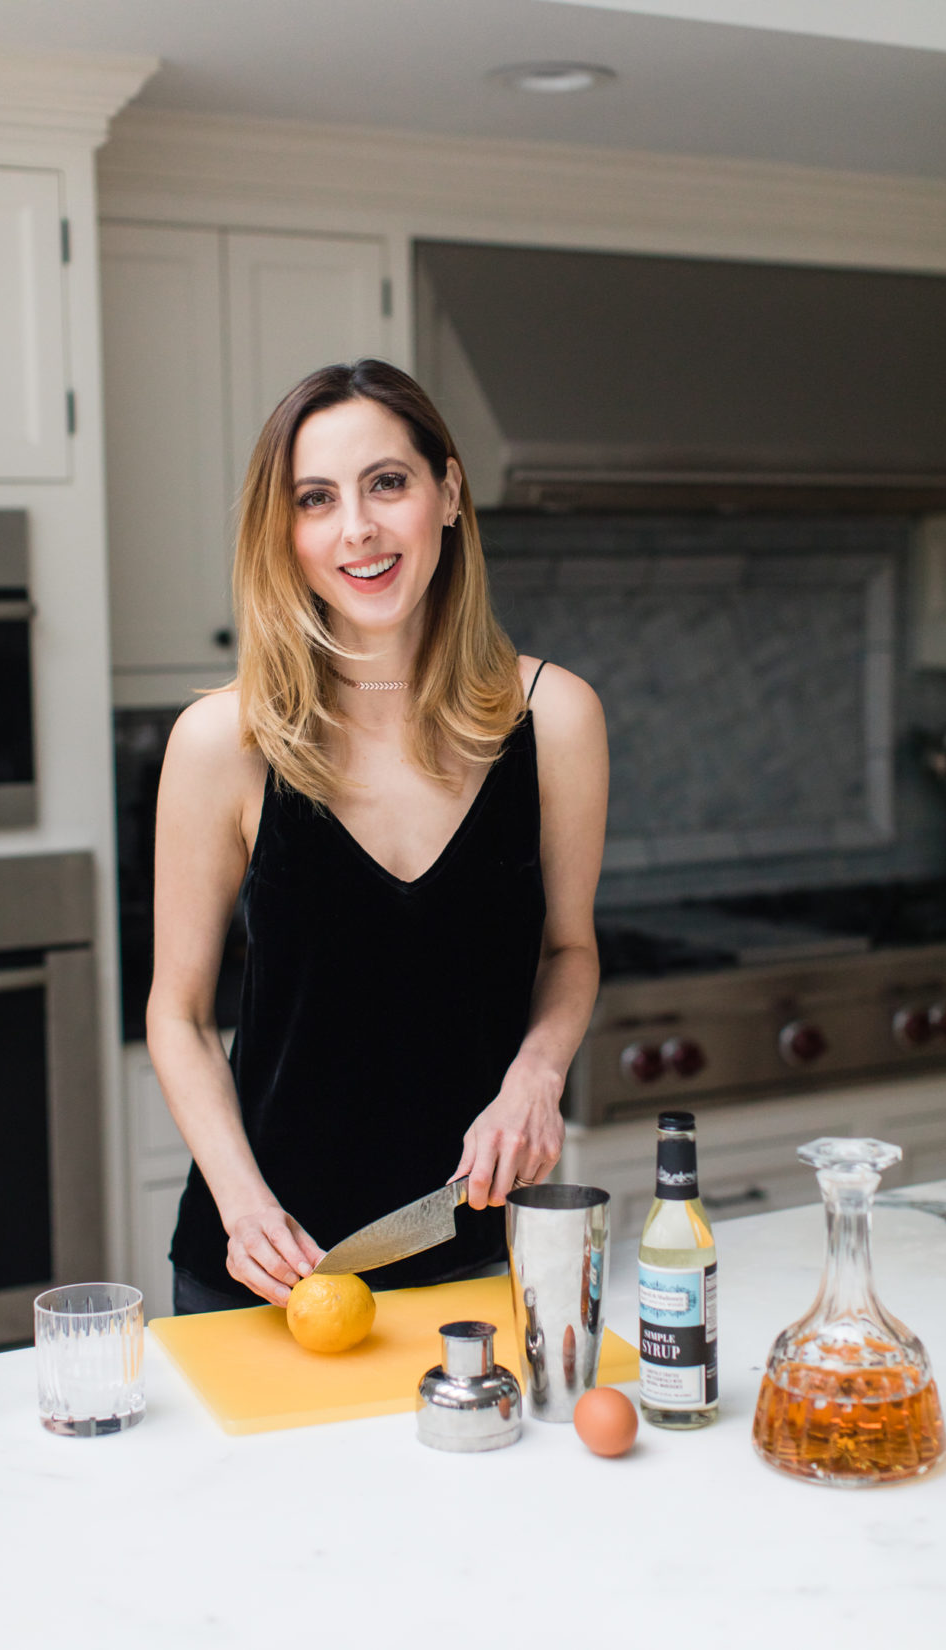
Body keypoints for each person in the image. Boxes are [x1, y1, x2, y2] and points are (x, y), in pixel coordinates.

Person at [146, 359, 608, 1314]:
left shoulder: (554, 718)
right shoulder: (226, 742)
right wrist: (243, 1206)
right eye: (316, 499)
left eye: (386, 483)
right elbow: (179, 1017)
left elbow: (569, 950)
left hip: (473, 1252)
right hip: (264, 1274)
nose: (356, 527)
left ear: (447, 494)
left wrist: (538, 1072)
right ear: (287, 534)